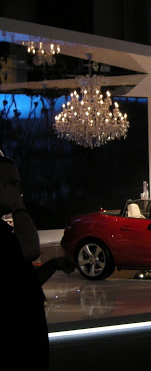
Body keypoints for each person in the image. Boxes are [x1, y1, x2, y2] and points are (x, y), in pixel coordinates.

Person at [0, 156, 49, 369]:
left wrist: (51, 267)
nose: (19, 190)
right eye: (13, 183)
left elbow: (17, 277)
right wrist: (18, 207)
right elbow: (30, 250)